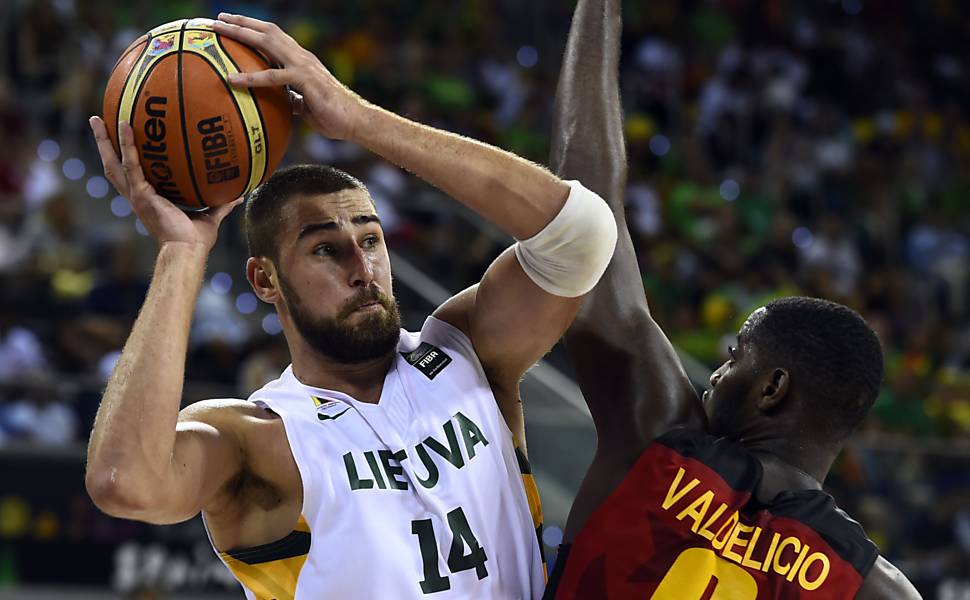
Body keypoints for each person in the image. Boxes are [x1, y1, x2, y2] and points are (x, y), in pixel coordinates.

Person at [84, 13, 618, 600]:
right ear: (265, 280)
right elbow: (124, 482)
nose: (362, 269)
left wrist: (357, 118)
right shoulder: (258, 439)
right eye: (325, 250)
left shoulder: (468, 352)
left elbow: (581, 234)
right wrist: (181, 254)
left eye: (370, 239)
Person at [541, 1, 922, 598]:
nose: (715, 376)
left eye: (734, 355)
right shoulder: (876, 588)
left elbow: (584, 209)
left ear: (773, 387)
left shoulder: (657, 434)